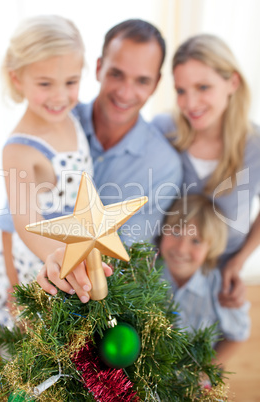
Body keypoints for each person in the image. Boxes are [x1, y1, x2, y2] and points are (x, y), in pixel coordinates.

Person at [0, 14, 96, 344]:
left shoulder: (71, 118)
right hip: (42, 264)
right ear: (17, 79)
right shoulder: (20, 149)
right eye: (44, 83)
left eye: (70, 81)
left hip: (75, 255)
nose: (59, 96)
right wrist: (57, 257)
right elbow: (25, 221)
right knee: (23, 341)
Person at [37, 19, 182, 299]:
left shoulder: (164, 166)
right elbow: (14, 217)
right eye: (117, 74)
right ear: (99, 67)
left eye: (142, 80)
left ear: (156, 84)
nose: (126, 92)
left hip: (90, 298)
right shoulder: (56, 122)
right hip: (30, 279)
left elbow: (126, 252)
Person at [151, 34, 260, 308]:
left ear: (232, 83)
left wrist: (239, 261)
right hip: (159, 279)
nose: (190, 103)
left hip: (217, 281)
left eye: (203, 87)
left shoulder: (255, 146)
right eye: (181, 91)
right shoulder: (164, 130)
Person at [158, 194, 250, 369]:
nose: (181, 249)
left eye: (196, 241)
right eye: (175, 232)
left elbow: (237, 335)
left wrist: (206, 372)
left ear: (211, 248)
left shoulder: (220, 287)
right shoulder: (146, 273)